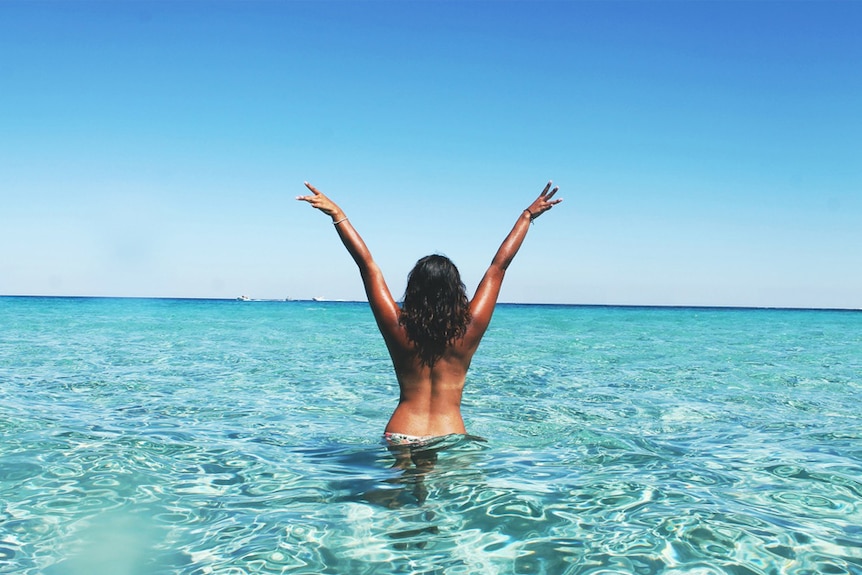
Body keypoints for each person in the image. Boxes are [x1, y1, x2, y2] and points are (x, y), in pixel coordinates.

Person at [296, 181, 561, 452]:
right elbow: (498, 267)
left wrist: (338, 215)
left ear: (414, 289)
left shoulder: (399, 328)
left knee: (396, 494)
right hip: (450, 434)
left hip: (402, 433)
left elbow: (367, 266)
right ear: (455, 290)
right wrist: (526, 216)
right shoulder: (468, 330)